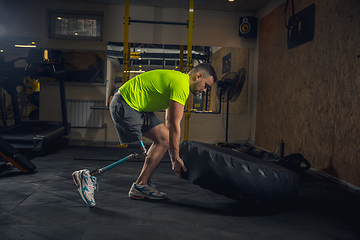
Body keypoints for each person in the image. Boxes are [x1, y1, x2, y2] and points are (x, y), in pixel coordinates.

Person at [72, 63, 217, 207]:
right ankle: (87, 176)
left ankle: (141, 185)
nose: (204, 90)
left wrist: (169, 149)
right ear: (198, 76)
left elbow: (169, 120)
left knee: (164, 139)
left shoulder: (178, 80)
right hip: (126, 104)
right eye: (206, 86)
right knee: (146, 150)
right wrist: (175, 158)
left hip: (134, 106)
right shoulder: (181, 85)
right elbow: (174, 124)